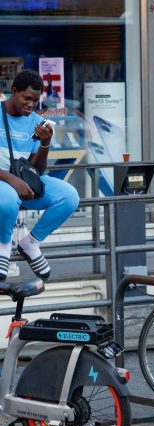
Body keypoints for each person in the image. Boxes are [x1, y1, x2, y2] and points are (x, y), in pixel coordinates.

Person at [0, 69, 79, 281]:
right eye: (26, 98)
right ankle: (3, 245)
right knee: (7, 198)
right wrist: (12, 180)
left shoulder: (36, 121)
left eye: (35, 100)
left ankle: (31, 243)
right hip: (4, 182)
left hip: (23, 182)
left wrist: (45, 143)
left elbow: (37, 171)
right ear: (13, 91)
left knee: (69, 196)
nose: (30, 104)